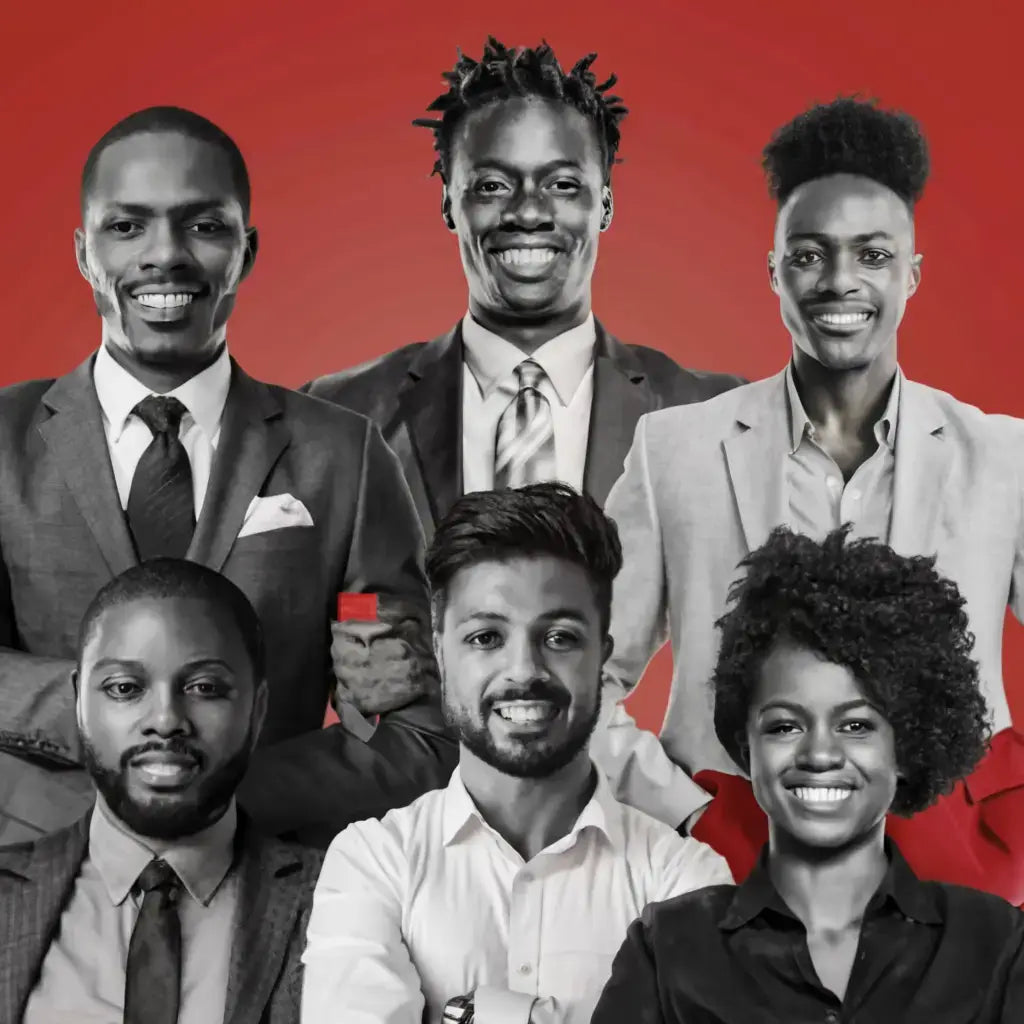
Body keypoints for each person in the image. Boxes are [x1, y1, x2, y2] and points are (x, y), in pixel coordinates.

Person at [593, 96, 1024, 903]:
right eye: (810, 254)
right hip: (730, 864)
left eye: (872, 254)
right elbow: (584, 670)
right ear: (775, 270)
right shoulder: (677, 449)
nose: (840, 281)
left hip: (948, 877)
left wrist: (1006, 819)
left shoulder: (1005, 456)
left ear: (911, 273)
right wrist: (685, 810)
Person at [0, 106, 457, 847]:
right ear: (85, 252)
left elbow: (411, 735)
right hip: (38, 877)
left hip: (266, 893)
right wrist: (115, 727)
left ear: (246, 249)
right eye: (127, 227)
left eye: (204, 226)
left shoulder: (342, 457)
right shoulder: (3, 443)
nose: (166, 255)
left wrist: (218, 802)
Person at [300, 484, 732, 1023]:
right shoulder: (372, 862)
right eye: (486, 638)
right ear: (439, 650)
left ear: (604, 655)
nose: (524, 670)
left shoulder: (685, 877)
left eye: (559, 638)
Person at [303, 37, 742, 544]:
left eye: (562, 185)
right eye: (492, 185)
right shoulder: (341, 413)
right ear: (449, 204)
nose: (529, 213)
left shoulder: (713, 412)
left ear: (605, 204)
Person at [591, 527, 1024, 1024]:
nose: (819, 752)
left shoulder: (995, 947)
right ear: (745, 745)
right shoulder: (664, 949)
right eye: (785, 725)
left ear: (906, 745)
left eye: (856, 725)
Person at [0, 560, 323, 1024]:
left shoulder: (341, 898)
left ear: (257, 711)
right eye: (125, 688)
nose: (167, 719)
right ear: (79, 703)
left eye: (205, 687)